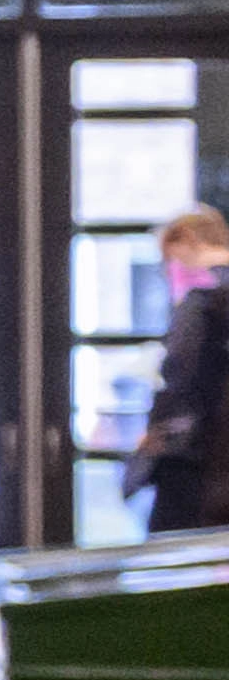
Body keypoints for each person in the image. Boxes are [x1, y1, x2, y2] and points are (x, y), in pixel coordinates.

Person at [135, 203, 229, 538]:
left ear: (187, 240)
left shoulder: (201, 302)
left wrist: (156, 432)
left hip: (200, 464)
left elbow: (181, 378)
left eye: (169, 258)